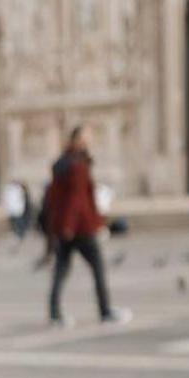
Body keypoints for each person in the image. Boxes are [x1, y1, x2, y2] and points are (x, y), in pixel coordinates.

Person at [44, 126, 130, 326]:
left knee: (61, 269)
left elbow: (56, 198)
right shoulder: (78, 165)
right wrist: (74, 226)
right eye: (86, 138)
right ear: (77, 140)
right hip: (80, 227)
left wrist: (61, 226)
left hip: (65, 226)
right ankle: (105, 310)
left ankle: (55, 313)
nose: (89, 141)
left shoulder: (62, 164)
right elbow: (78, 199)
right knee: (98, 268)